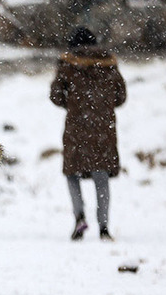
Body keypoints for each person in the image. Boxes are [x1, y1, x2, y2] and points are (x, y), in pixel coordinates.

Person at [50, 26, 126, 241]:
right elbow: (121, 97)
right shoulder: (109, 64)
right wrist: (102, 107)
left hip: (76, 128)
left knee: (72, 174)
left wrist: (75, 105)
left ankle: (79, 218)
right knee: (101, 177)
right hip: (104, 129)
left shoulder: (68, 65)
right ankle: (103, 227)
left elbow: (55, 96)